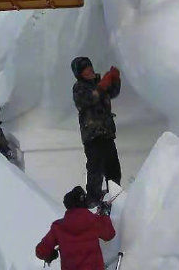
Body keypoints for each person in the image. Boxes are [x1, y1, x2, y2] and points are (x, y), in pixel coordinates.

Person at [71, 57, 122, 205]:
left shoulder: (98, 83)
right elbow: (87, 100)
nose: (89, 70)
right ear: (79, 74)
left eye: (89, 67)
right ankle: (92, 201)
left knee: (113, 169)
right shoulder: (79, 87)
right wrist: (102, 85)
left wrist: (115, 79)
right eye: (85, 69)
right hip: (93, 136)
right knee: (96, 169)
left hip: (107, 134)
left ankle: (115, 198)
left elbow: (112, 92)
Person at [36, 185, 116, 269]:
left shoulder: (58, 227)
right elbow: (109, 235)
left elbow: (41, 251)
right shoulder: (93, 220)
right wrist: (105, 214)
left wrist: (51, 254)